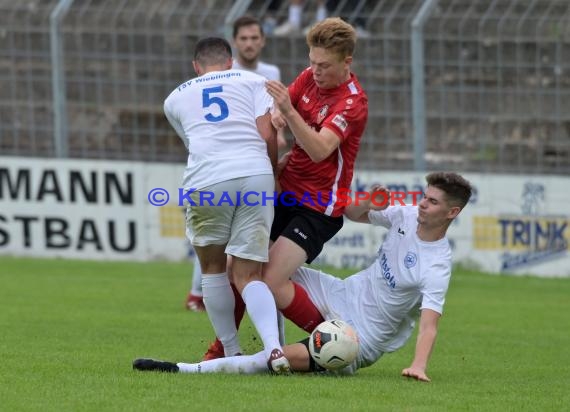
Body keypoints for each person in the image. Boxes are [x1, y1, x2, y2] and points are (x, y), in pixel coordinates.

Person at [133, 172, 473, 381]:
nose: (422, 204)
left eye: (431, 201)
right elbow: (353, 214)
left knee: (274, 363)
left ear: (452, 212)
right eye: (424, 197)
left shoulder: (437, 265)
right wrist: (366, 202)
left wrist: (418, 366)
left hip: (361, 336)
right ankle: (238, 346)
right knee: (258, 269)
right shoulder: (406, 214)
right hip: (339, 292)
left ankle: (185, 369)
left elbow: (429, 325)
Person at [202, 17, 368, 360]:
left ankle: (337, 342)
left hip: (318, 207)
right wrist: (277, 126)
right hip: (287, 192)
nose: (315, 70)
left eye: (324, 65)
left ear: (346, 61)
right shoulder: (308, 79)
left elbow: (322, 148)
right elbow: (277, 114)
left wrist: (289, 113)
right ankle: (224, 348)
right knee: (240, 268)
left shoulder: (353, 103)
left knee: (273, 280)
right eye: (312, 62)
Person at [163, 37, 290, 373]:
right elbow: (267, 135)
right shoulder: (253, 80)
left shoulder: (174, 98)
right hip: (254, 173)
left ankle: (232, 353)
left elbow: (194, 142)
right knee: (249, 273)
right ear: (230, 62)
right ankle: (274, 350)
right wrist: (273, 174)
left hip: (209, 179)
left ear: (196, 67)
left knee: (214, 270)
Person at [184, 15, 286, 312]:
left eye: (255, 38)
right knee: (215, 237)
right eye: (244, 39)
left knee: (233, 237)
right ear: (234, 44)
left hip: (254, 160)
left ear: (263, 41)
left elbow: (270, 119)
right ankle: (197, 292)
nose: (250, 43)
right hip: (225, 161)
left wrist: (276, 138)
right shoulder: (223, 72)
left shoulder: (270, 72)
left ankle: (238, 293)